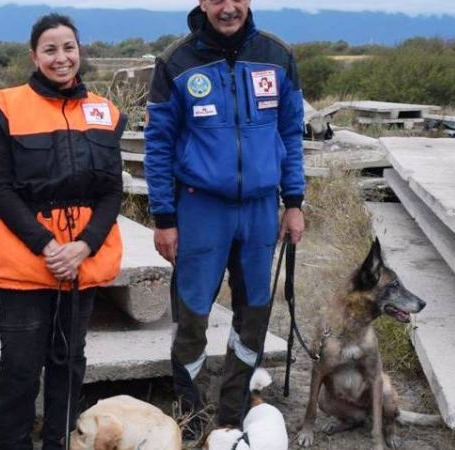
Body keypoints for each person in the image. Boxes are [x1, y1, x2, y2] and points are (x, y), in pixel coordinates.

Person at [144, 0, 305, 435]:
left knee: (253, 313)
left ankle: (233, 416)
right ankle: (192, 418)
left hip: (259, 209)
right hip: (200, 208)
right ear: (202, 2)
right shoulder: (176, 61)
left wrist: (293, 202)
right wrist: (164, 217)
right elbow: (158, 144)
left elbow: (290, 132)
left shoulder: (277, 56)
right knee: (192, 315)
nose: (227, 7)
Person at [0, 13, 126, 450]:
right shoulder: (3, 108)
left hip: (82, 258)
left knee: (69, 361)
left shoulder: (106, 112)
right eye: (50, 49)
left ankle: (58, 442)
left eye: (69, 48)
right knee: (21, 366)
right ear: (34, 56)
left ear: (80, 51)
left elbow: (112, 191)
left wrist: (83, 246)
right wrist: (47, 245)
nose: (62, 58)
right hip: (27, 259)